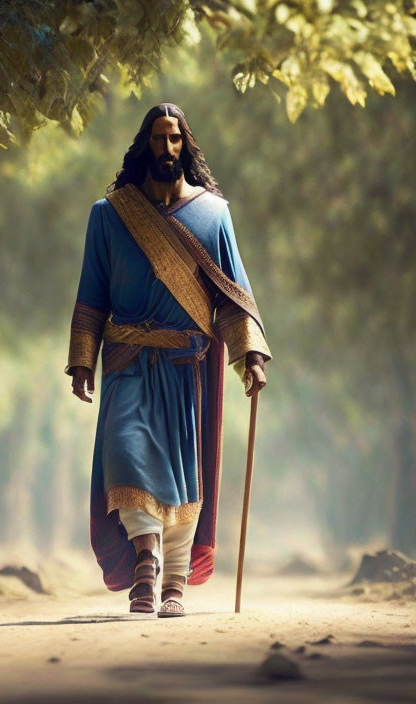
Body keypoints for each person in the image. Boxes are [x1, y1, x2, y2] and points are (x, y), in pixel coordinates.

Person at [66, 103, 271, 617]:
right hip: (128, 360)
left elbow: (234, 294)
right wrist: (83, 361)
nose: (167, 148)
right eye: (158, 139)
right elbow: (92, 295)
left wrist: (250, 357)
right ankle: (146, 562)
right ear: (145, 146)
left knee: (183, 474)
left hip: (189, 365)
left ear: (186, 146)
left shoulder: (213, 214)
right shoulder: (109, 215)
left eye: (175, 139)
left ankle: (174, 583)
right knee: (126, 452)